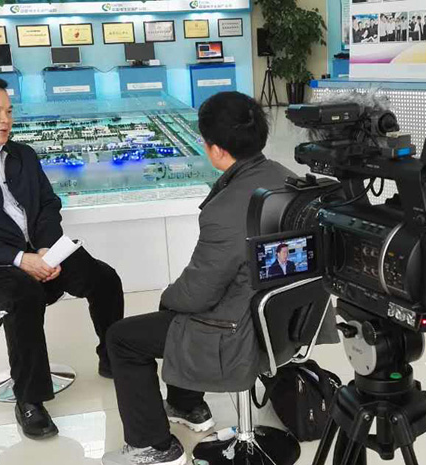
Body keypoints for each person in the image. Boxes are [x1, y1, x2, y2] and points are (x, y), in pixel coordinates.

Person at [0, 75, 124, 440]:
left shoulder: (23, 155)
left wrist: (44, 248)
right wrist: (20, 259)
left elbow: (47, 204)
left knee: (104, 278)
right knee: (24, 295)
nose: (6, 120)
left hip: (40, 250)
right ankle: (30, 399)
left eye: (9, 111)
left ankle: (112, 358)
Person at [100, 92, 295, 465]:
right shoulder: (286, 178)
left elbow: (197, 294)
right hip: (284, 319)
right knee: (177, 308)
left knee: (123, 338)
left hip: (237, 329)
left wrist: (168, 296)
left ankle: (153, 446)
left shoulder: (226, 209)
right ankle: (187, 404)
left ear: (216, 150)